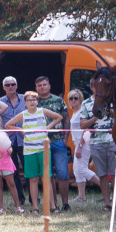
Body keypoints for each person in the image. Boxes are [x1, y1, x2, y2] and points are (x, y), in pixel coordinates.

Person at [5, 91, 63, 212]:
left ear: (37, 101)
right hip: (29, 151)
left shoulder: (43, 111)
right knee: (33, 179)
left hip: (43, 150)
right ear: (25, 102)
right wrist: (20, 129)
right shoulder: (23, 114)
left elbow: (59, 117)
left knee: (46, 178)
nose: (32, 102)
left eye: (34, 100)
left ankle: (52, 206)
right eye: (29, 100)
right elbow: (8, 125)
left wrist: (48, 127)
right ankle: (35, 207)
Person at [35, 76, 71, 211]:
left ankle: (65, 204)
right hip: (42, 143)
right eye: (40, 85)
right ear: (36, 88)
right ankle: (53, 204)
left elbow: (66, 119)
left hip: (58, 141)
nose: (42, 87)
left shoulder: (58, 100)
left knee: (63, 174)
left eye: (44, 84)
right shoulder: (34, 102)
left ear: (49, 86)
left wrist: (66, 138)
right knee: (48, 175)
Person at [78, 88, 116, 211]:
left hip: (113, 141)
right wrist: (95, 117)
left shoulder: (111, 100)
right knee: (103, 175)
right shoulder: (86, 103)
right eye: (96, 86)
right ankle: (107, 204)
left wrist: (109, 112)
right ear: (92, 87)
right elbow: (82, 125)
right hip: (95, 143)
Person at [0, 76, 28, 205]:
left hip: (25, 140)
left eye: (13, 84)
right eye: (8, 85)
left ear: (16, 85)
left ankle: (33, 198)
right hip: (8, 142)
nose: (10, 87)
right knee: (13, 171)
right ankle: (20, 199)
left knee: (29, 170)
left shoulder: (25, 99)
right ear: (4, 87)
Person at [67, 88, 99, 204]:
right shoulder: (75, 112)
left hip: (83, 143)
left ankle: (106, 186)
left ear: (80, 99)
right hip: (77, 143)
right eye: (71, 98)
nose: (73, 100)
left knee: (82, 169)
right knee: (76, 170)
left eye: (76, 98)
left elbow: (85, 129)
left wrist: (80, 146)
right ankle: (81, 197)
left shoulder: (82, 111)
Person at [0, 113, 22, 214]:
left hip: (6, 162)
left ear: (1, 123)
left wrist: (10, 150)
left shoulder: (4, 134)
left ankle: (18, 206)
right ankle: (0, 208)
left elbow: (9, 146)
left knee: (11, 183)